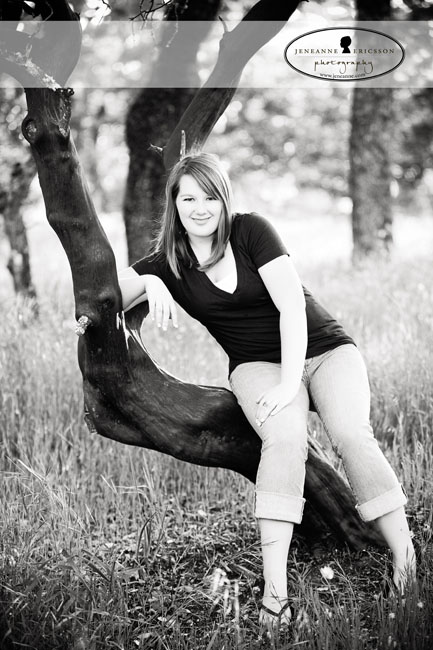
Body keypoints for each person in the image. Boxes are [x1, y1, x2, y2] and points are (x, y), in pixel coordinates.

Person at [118, 152, 416, 629]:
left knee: (350, 434)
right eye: (188, 198)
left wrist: (290, 382)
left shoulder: (251, 230)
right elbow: (104, 295)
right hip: (254, 364)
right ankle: (275, 594)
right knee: (284, 439)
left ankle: (405, 558)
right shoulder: (168, 262)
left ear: (224, 199)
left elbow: (292, 308)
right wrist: (151, 281)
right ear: (174, 204)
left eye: (210, 197)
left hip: (324, 349)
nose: (200, 208)